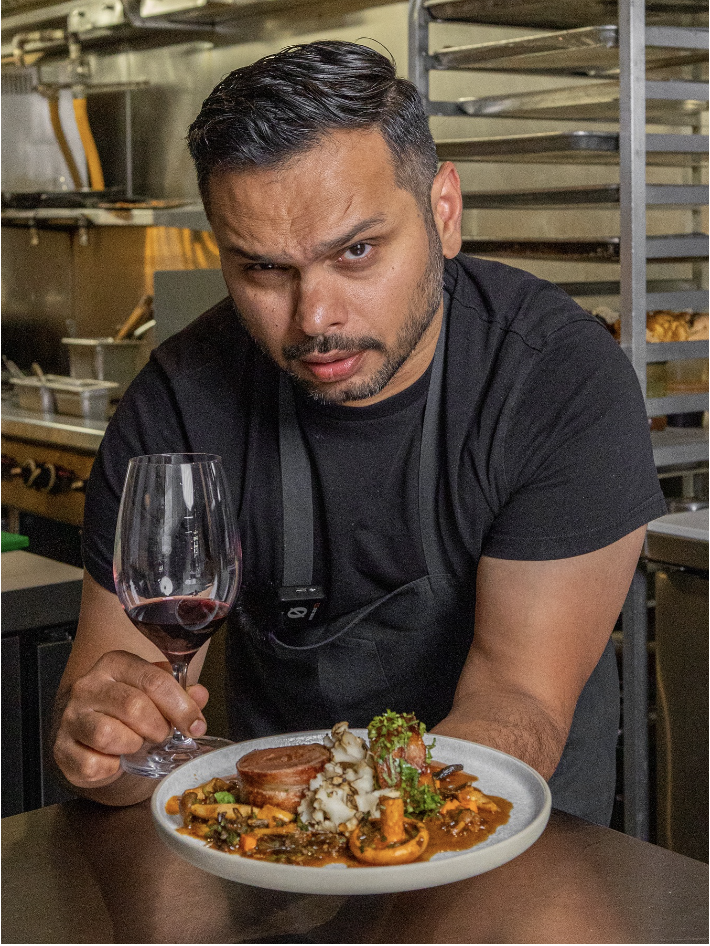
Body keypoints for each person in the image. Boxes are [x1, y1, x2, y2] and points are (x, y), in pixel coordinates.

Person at [52, 41, 667, 821]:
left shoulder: (557, 381)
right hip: (281, 858)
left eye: (357, 252)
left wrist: (349, 807)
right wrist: (105, 743)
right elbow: (124, 733)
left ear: (444, 213)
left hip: (513, 857)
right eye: (264, 270)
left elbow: (518, 706)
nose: (315, 319)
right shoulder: (180, 400)